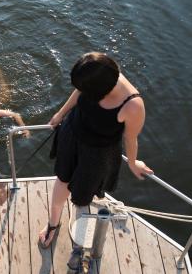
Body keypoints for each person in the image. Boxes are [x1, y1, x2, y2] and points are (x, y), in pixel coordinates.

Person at [39, 52, 153, 252]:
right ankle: (53, 223)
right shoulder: (98, 70)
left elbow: (131, 138)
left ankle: (80, 232)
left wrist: (133, 162)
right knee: (62, 179)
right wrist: (60, 113)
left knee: (83, 194)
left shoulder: (133, 105)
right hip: (73, 133)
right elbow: (79, 91)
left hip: (98, 152)